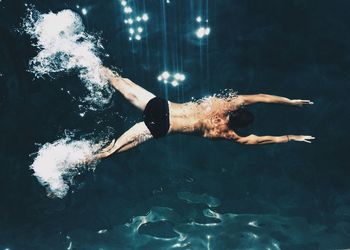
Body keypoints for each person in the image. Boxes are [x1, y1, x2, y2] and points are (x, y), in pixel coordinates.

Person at [94, 67, 315, 159]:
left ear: (237, 110)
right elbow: (259, 141)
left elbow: (261, 97)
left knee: (118, 80)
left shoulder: (226, 103)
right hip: (160, 128)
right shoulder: (228, 134)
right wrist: (290, 137)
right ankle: (74, 160)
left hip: (161, 106)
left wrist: (291, 102)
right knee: (110, 151)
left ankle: (85, 58)